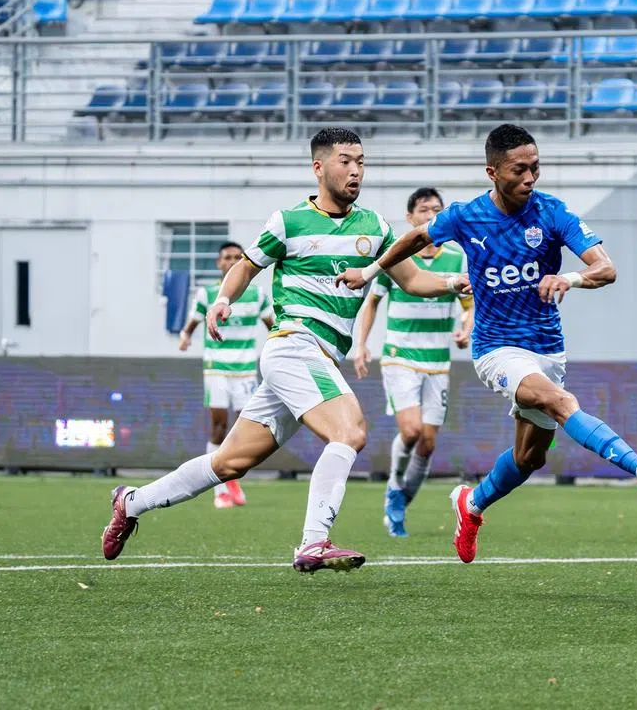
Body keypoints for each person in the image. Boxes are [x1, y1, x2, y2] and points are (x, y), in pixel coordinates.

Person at [101, 127, 470, 574]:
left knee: (231, 461)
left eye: (361, 162)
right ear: (319, 168)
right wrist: (222, 300)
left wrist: (453, 282)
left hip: (316, 358)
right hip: (295, 345)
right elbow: (246, 266)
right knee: (350, 431)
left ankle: (132, 502)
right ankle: (314, 541)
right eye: (345, 161)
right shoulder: (288, 222)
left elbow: (412, 280)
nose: (356, 171)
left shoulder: (375, 228)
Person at [336, 124, 637, 564]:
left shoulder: (553, 213)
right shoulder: (466, 215)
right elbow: (417, 237)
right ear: (493, 172)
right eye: (520, 170)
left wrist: (569, 276)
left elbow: (606, 268)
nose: (530, 178)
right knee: (559, 401)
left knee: (529, 457)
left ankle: (472, 503)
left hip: (547, 349)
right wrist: (368, 272)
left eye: (535, 168)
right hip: (496, 348)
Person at [352, 187, 474, 538]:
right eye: (424, 210)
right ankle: (393, 487)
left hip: (438, 360)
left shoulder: (456, 257)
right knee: (411, 431)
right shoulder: (400, 256)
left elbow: (469, 306)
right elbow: (372, 301)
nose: (431, 214)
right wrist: (361, 345)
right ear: (411, 218)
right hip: (400, 356)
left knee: (429, 443)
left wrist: (466, 330)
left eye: (437, 209)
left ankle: (402, 502)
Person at [178, 241, 274, 509]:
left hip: (245, 372)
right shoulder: (206, 294)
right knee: (219, 427)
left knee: (244, 431)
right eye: (226, 258)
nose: (231, 261)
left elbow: (274, 327)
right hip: (217, 369)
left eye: (236, 257)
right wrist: (185, 336)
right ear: (219, 263)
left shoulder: (257, 295)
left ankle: (231, 479)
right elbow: (191, 324)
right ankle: (220, 490)